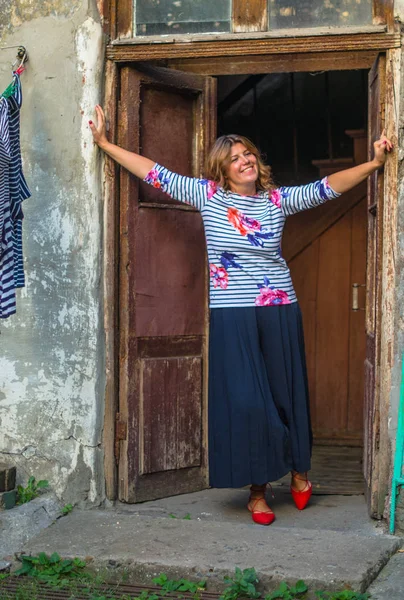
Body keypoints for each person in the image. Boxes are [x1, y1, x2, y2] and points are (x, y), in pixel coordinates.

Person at [89, 106, 393, 526]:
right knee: (248, 402)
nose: (244, 160)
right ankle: (257, 490)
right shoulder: (208, 197)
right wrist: (105, 144)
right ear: (222, 170)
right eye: (234, 157)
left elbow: (327, 187)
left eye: (248, 153)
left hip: (279, 308)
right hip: (232, 313)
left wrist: (375, 163)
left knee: (286, 393)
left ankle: (300, 471)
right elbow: (153, 172)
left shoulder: (276, 201)